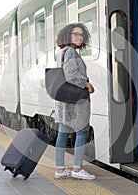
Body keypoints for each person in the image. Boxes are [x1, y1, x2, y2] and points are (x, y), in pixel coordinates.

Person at [54, 23, 96, 180]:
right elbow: (71, 75)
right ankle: (77, 169)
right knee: (82, 132)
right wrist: (87, 84)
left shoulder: (62, 52)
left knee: (63, 133)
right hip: (76, 102)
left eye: (81, 35)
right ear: (67, 36)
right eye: (75, 34)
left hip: (65, 102)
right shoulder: (71, 52)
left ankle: (60, 169)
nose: (79, 37)